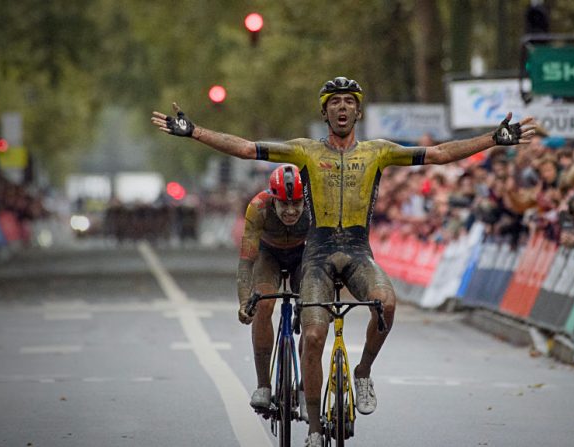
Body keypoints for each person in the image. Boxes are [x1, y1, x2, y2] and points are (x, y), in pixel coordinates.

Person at [151, 76, 536, 446]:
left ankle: (364, 371)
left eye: (349, 102)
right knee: (314, 336)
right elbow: (248, 148)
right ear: (325, 113)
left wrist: (494, 140)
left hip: (357, 251)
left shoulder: (378, 152)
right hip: (316, 254)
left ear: (358, 112)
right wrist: (195, 131)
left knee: (386, 302)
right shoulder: (305, 150)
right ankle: (315, 429)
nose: (342, 107)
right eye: (334, 102)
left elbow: (438, 154)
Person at [236, 164, 309, 410]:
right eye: (284, 205)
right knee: (263, 303)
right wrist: (245, 301)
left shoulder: (317, 205)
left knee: (313, 309)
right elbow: (246, 261)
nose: (290, 211)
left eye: (296, 204)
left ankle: (305, 385)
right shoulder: (258, 207)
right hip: (269, 256)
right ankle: (264, 386)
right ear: (273, 198)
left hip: (303, 255)